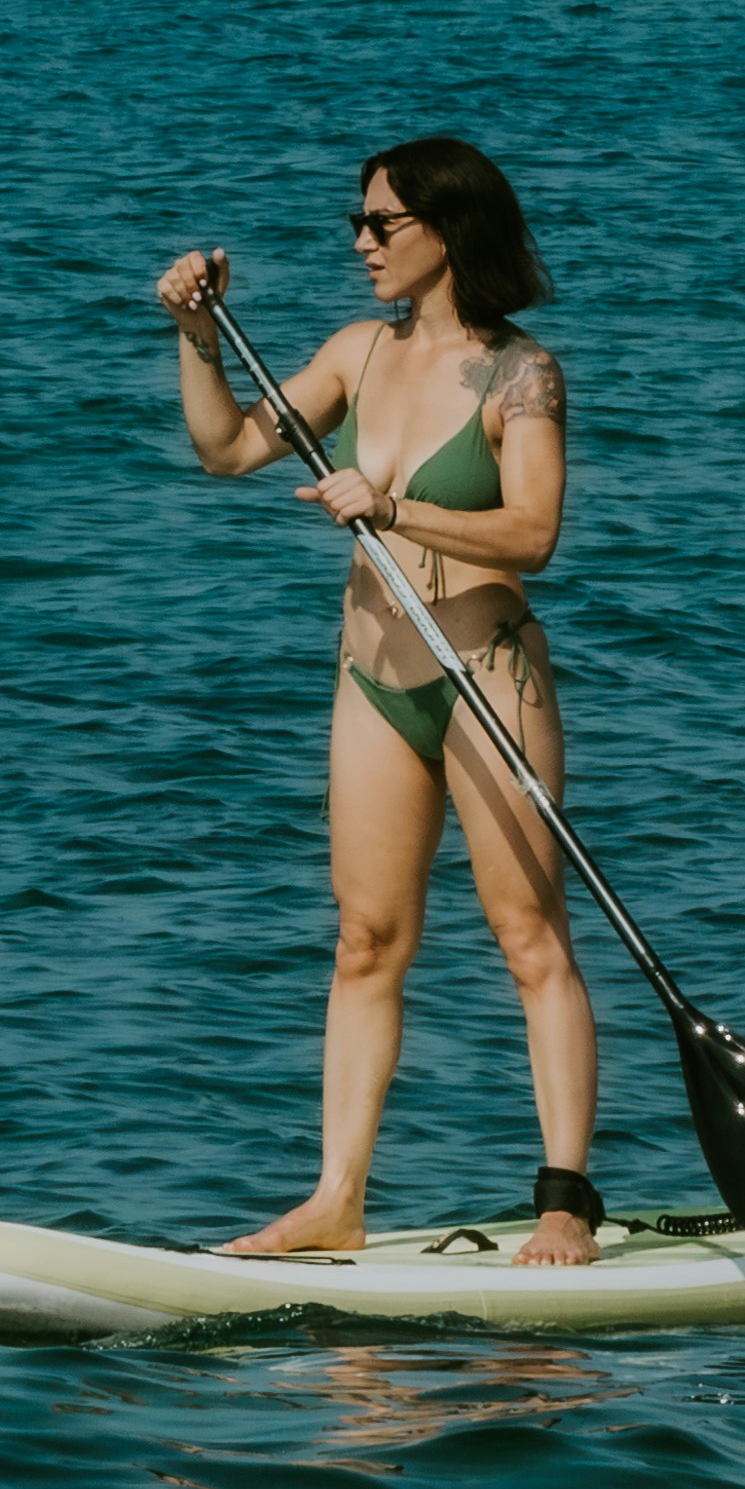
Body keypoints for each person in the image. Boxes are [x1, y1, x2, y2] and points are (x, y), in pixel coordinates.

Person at [155, 138, 600, 1266]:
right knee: (365, 942)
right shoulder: (355, 353)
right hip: (374, 676)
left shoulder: (520, 374)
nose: (358, 243)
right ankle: (334, 1198)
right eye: (355, 221)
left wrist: (394, 511)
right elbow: (221, 449)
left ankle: (563, 1202)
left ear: (447, 232)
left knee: (528, 938)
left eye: (380, 224)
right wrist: (198, 335)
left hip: (488, 676)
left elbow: (533, 536)